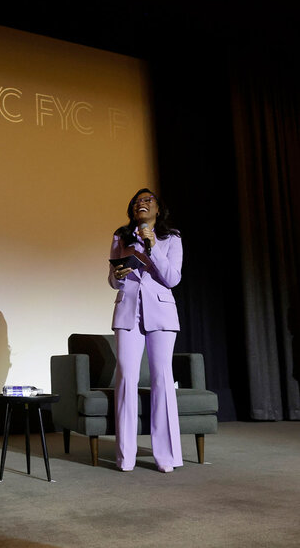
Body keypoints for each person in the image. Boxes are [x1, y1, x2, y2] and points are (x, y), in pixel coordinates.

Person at [109, 188, 183, 473]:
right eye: (137, 201)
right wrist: (116, 276)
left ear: (158, 210)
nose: (142, 204)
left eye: (147, 200)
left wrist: (152, 247)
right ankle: (125, 457)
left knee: (162, 378)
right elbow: (113, 280)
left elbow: (172, 278)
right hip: (128, 311)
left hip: (161, 312)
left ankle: (166, 456)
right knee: (126, 376)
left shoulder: (171, 238)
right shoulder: (120, 236)